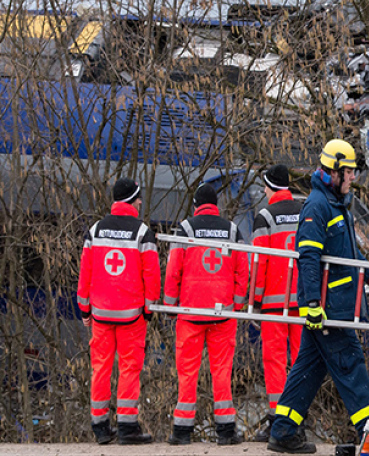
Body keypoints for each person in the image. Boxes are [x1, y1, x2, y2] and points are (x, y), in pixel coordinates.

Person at [268, 139, 369, 454]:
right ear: (333, 173)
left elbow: (349, 253)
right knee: (350, 361)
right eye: (350, 172)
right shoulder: (317, 206)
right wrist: (312, 304)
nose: (354, 177)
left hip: (336, 305)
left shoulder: (338, 206)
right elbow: (309, 258)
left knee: (309, 368)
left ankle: (284, 430)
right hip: (329, 309)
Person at [163, 184, 249, 446]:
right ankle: (225, 432)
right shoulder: (232, 230)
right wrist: (235, 302)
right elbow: (241, 270)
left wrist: (170, 306)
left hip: (189, 313)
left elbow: (173, 269)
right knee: (221, 371)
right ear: (216, 205)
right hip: (222, 313)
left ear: (196, 204)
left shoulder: (186, 228)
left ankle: (181, 432)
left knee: (187, 372)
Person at [77, 177, 159, 445]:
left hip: (100, 312)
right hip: (131, 314)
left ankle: (100, 427)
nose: (139, 202)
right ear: (133, 200)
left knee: (100, 368)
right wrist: (149, 308)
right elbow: (151, 274)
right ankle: (127, 426)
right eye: (138, 198)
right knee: (129, 368)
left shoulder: (96, 229)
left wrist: (85, 308)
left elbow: (85, 272)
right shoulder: (142, 231)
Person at [250, 164, 303, 442]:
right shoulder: (305, 211)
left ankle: (277, 419)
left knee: (274, 360)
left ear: (270, 187)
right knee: (301, 361)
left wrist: (255, 299)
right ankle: (298, 418)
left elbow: (260, 262)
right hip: (305, 300)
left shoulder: (265, 217)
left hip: (274, 300)